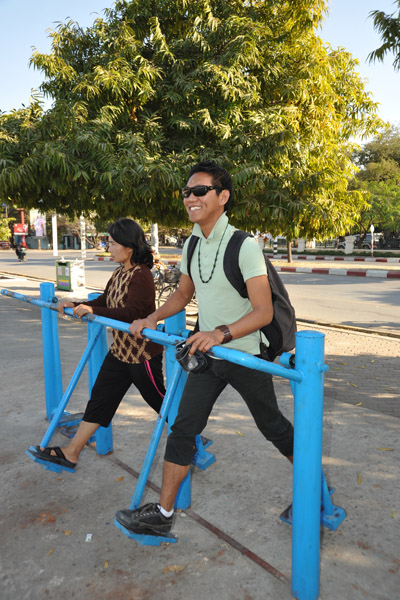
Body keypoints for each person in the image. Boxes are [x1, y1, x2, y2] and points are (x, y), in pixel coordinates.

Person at [115, 161, 294, 536]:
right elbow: (183, 293)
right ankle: (163, 515)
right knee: (183, 429)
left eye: (200, 191)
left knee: (273, 427)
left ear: (222, 196)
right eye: (186, 192)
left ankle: (315, 487)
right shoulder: (192, 244)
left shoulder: (244, 246)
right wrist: (152, 318)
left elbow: (262, 312)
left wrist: (219, 333)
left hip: (244, 355)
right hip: (209, 356)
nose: (190, 198)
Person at [31, 218, 166, 470]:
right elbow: (106, 300)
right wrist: (76, 303)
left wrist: (93, 309)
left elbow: (132, 312)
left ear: (129, 246)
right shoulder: (119, 272)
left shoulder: (142, 275)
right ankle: (71, 453)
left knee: (160, 401)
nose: (108, 247)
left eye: (112, 243)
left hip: (142, 355)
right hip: (119, 352)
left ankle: (188, 438)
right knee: (100, 400)